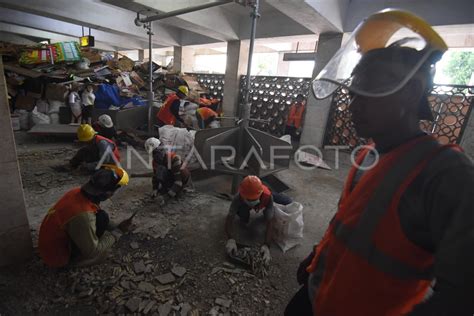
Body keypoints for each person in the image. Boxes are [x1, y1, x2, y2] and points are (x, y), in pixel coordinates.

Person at [285, 9, 474, 316]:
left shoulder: (445, 174)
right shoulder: (366, 157)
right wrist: (317, 257)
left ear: (411, 92)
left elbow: (463, 297)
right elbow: (349, 224)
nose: (353, 105)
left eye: (367, 92)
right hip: (318, 296)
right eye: (352, 94)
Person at [38, 166, 131, 267]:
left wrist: (116, 226)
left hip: (50, 246)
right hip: (57, 258)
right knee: (103, 254)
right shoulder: (83, 215)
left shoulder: (77, 192)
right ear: (107, 194)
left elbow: (96, 212)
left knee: (102, 217)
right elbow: (92, 251)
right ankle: (74, 263)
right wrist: (117, 232)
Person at [225, 176, 293, 265]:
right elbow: (229, 218)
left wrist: (267, 245)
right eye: (249, 199)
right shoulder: (238, 197)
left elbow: (270, 221)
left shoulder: (267, 196)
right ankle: (244, 215)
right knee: (243, 216)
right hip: (245, 204)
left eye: (253, 199)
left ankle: (270, 205)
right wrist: (230, 238)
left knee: (287, 201)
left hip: (266, 198)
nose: (251, 200)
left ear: (259, 194)